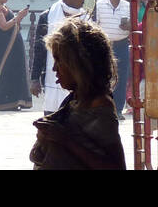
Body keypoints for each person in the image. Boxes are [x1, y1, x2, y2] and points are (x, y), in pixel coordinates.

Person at [29, 16, 125, 169]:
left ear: (77, 65)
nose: (54, 69)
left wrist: (65, 139)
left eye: (58, 61)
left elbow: (115, 166)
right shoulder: (74, 99)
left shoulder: (100, 106)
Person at [30, 0, 87, 112]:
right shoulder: (47, 17)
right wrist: (34, 79)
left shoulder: (86, 18)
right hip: (53, 80)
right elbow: (39, 49)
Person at [0, 0, 32, 110]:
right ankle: (2, 102)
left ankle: (15, 100)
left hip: (12, 46)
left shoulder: (4, 7)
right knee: (7, 72)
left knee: (14, 72)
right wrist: (18, 17)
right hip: (5, 47)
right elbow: (4, 26)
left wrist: (18, 18)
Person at [94, 0, 132, 117]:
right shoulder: (99, 5)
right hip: (105, 45)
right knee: (104, 76)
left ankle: (118, 109)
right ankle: (103, 107)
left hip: (122, 44)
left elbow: (133, 25)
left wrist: (129, 26)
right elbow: (95, 26)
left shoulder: (127, 6)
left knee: (121, 78)